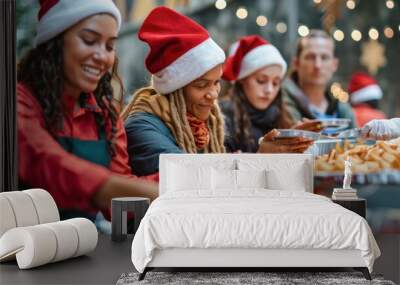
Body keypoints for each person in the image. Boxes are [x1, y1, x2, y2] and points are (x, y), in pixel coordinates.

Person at [17, 0, 158, 220]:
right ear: (55, 40)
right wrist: (156, 193)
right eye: (89, 40)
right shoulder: (18, 100)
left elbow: (117, 205)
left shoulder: (105, 114)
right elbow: (42, 160)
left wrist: (180, 181)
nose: (102, 56)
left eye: (109, 46)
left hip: (82, 244)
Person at [122, 6, 226, 177]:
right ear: (176, 88)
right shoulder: (141, 127)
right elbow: (190, 176)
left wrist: (261, 156)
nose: (213, 94)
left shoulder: (202, 123)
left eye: (217, 83)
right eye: (201, 85)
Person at [220, 35, 320, 153]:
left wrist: (295, 141)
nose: (269, 90)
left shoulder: (284, 115)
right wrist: (262, 155)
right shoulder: (222, 118)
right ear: (242, 79)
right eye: (261, 81)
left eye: (276, 83)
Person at [282, 29, 356, 128]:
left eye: (324, 57)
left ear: (334, 64)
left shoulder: (342, 109)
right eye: (311, 57)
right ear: (296, 63)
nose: (318, 65)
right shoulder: (280, 100)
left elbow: (358, 142)